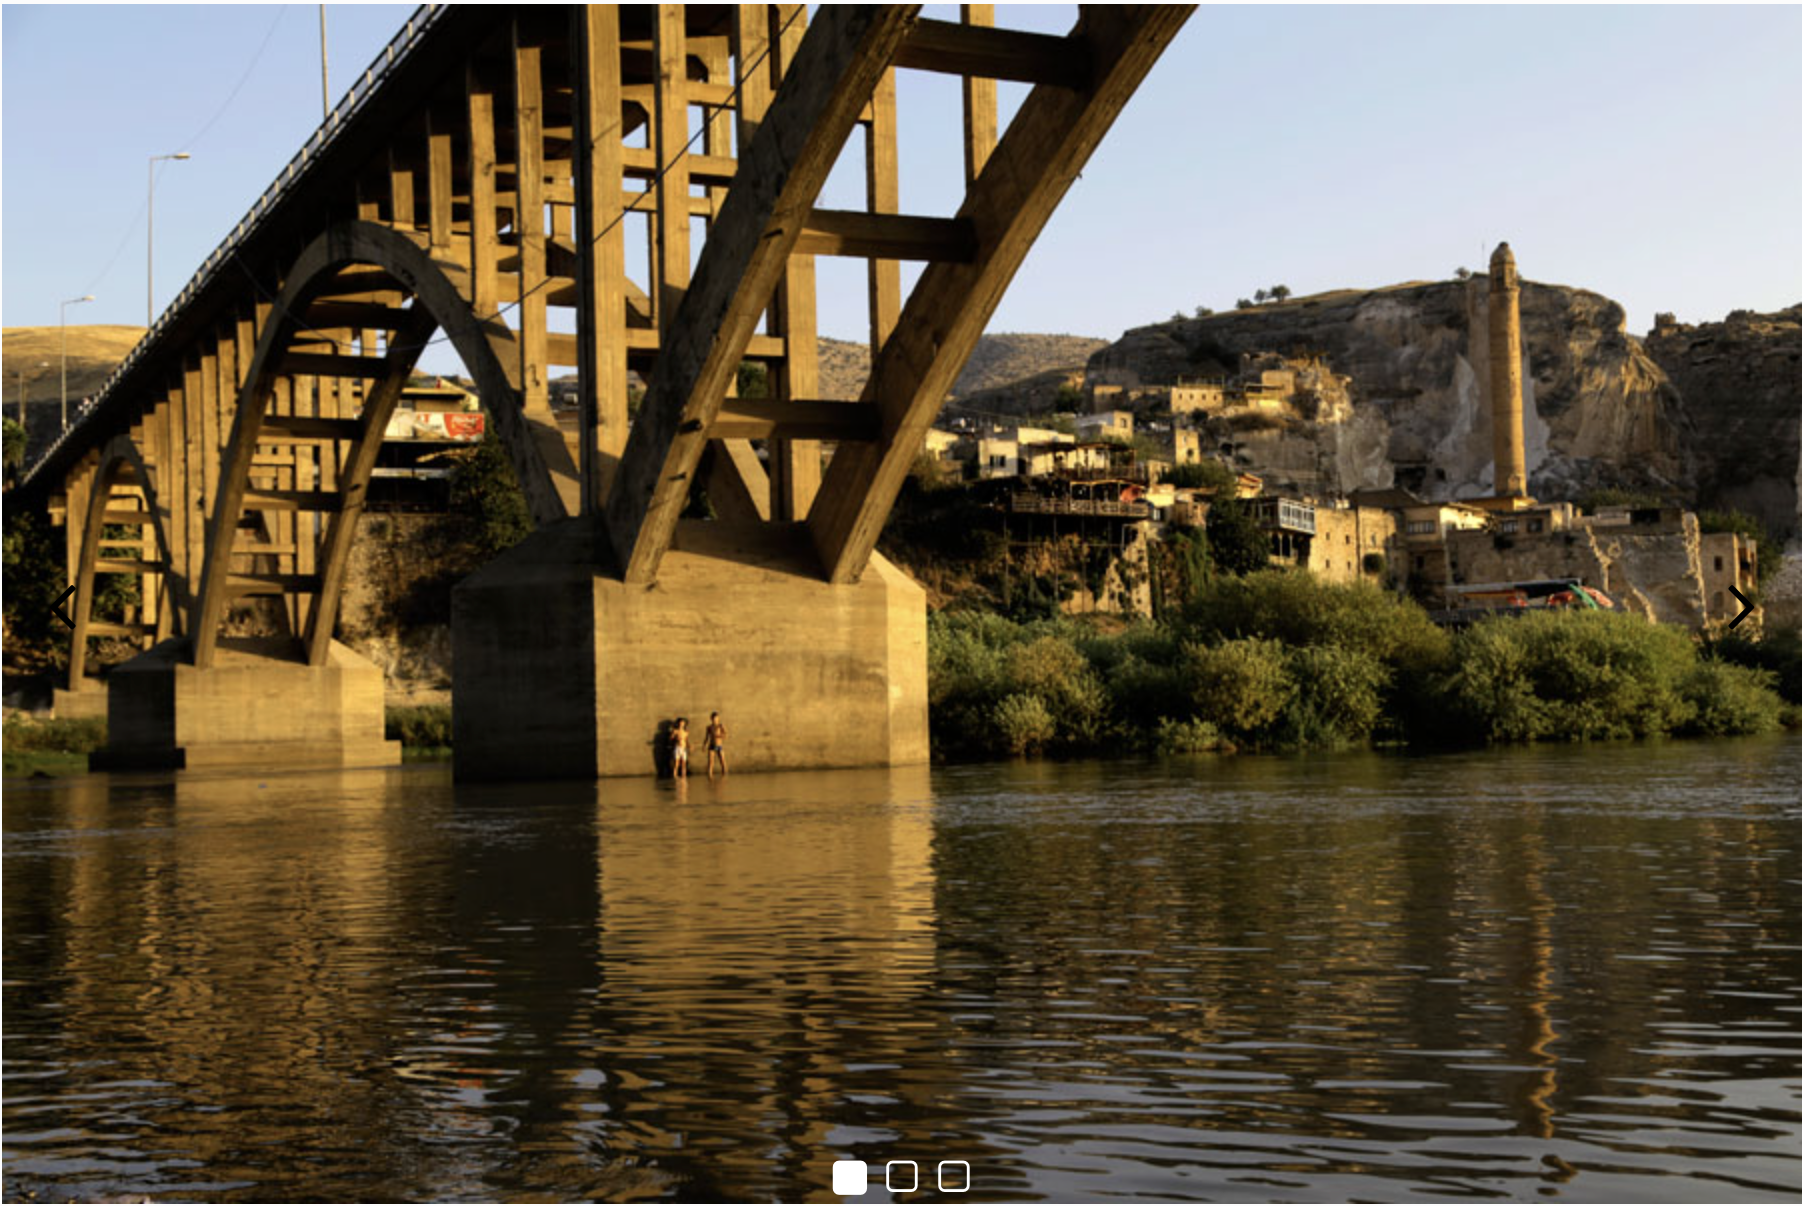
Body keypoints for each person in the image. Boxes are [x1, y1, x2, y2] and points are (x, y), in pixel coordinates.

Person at [705, 712, 727, 777]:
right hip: (711, 745)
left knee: (722, 762)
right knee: (710, 763)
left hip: (719, 745)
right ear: (711, 719)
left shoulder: (720, 726)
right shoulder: (709, 727)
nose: (715, 720)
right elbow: (706, 737)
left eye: (716, 718)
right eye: (714, 718)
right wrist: (704, 745)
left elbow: (725, 735)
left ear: (718, 718)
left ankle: (724, 776)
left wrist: (719, 735)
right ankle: (710, 777)